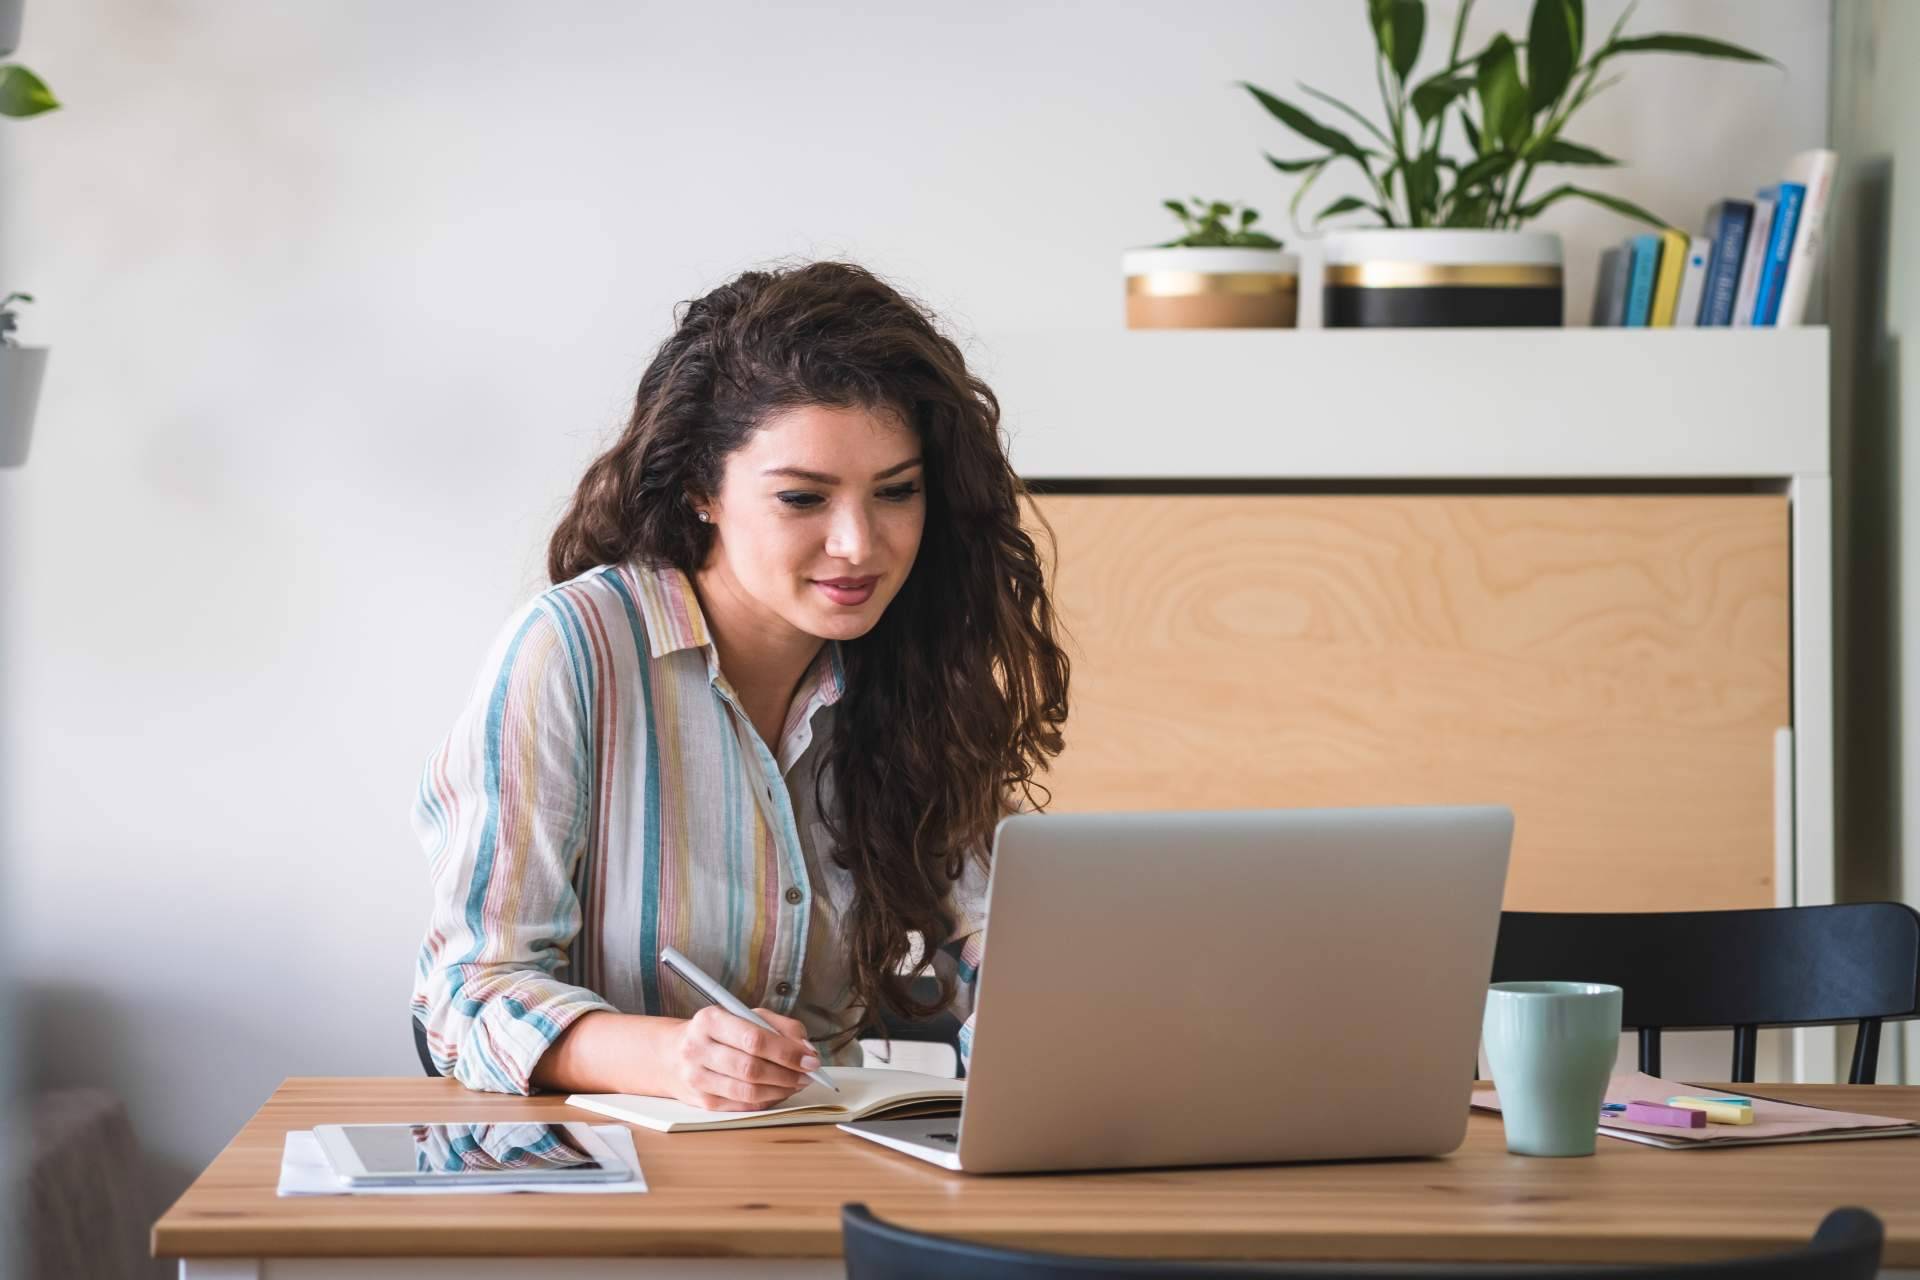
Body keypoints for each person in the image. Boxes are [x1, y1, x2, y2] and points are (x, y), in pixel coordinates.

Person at [410, 260, 1070, 1109]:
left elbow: (1004, 943)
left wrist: (1065, 1017)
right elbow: (470, 991)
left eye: (897, 493)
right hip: (602, 1174)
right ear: (700, 491)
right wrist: (673, 1058)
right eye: (803, 498)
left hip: (820, 1156)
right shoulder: (574, 647)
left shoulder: (912, 660)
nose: (859, 545)